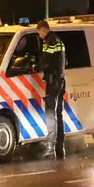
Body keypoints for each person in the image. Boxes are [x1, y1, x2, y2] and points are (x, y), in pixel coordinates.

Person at [34, 20, 66, 159]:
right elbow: (65, 61)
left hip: (53, 82)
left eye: (39, 33)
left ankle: (50, 147)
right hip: (61, 81)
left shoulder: (48, 43)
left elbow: (46, 64)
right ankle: (60, 147)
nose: (39, 36)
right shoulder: (59, 41)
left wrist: (35, 67)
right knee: (59, 114)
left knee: (50, 114)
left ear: (43, 30)